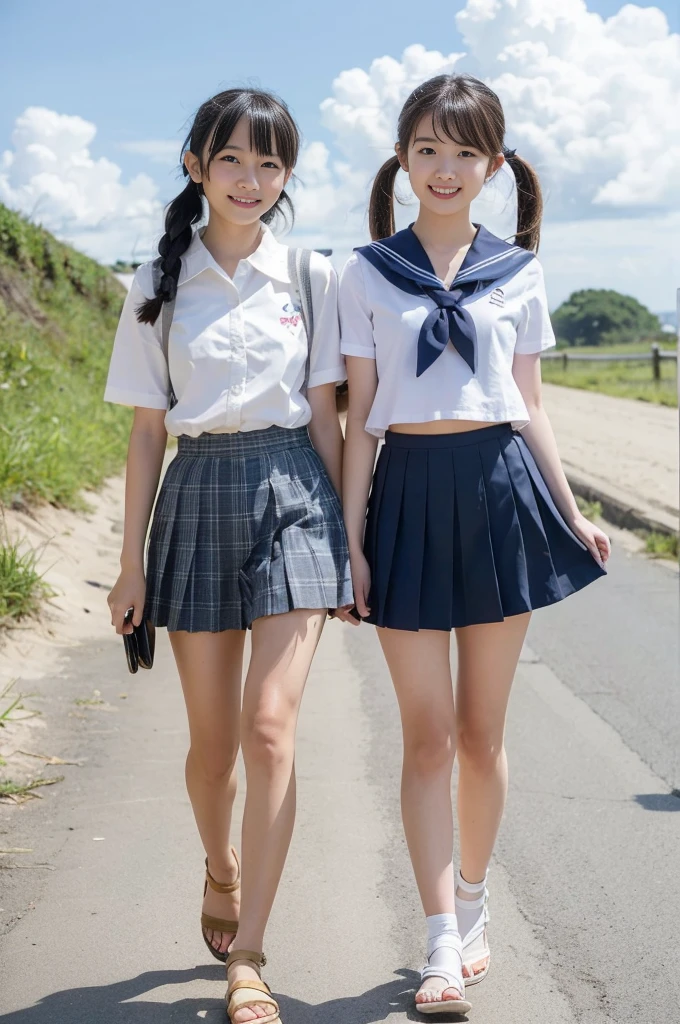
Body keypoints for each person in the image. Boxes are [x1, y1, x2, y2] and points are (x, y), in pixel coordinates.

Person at [339, 72, 610, 1016]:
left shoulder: (520, 270)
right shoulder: (366, 271)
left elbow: (530, 404)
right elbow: (361, 417)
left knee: (483, 732)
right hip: (404, 497)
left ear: (492, 165)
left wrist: (572, 513)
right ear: (403, 158)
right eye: (427, 150)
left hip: (500, 492)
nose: (444, 169)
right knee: (426, 736)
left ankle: (473, 896)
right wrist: (353, 543)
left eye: (463, 153)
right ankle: (439, 943)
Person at [105, 87, 353, 1024]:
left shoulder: (311, 276)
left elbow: (330, 419)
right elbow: (143, 435)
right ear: (196, 166)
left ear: (287, 176)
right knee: (213, 749)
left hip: (296, 495)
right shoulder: (155, 283)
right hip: (197, 492)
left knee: (269, 731)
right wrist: (129, 564)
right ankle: (220, 866)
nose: (252, 181)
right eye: (234, 161)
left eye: (271, 164)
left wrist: (350, 545)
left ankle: (248, 954)